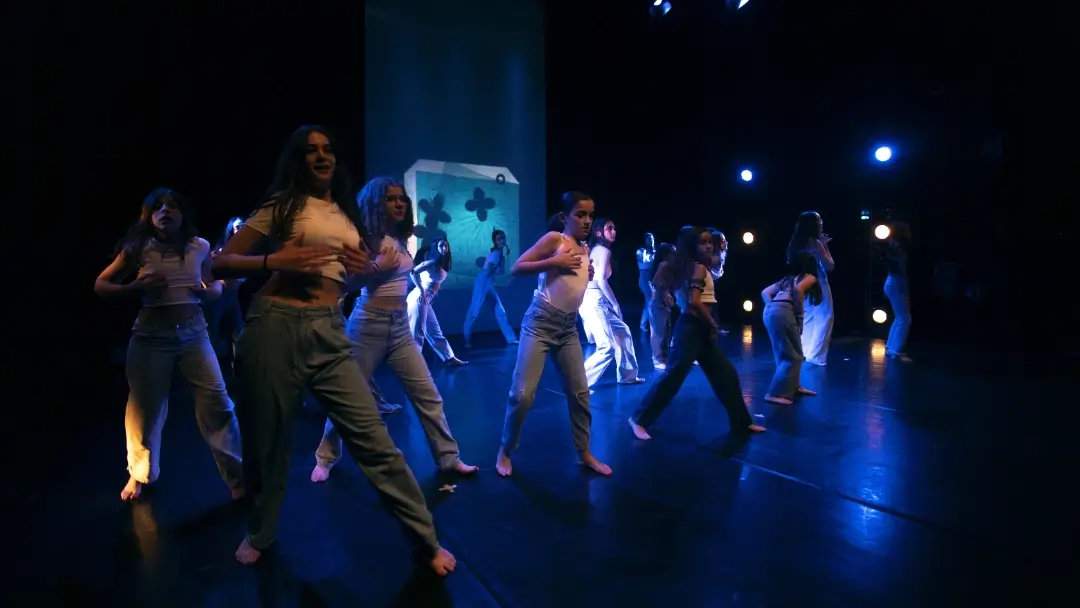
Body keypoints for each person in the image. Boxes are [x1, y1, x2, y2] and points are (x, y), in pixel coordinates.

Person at [213, 126, 455, 574]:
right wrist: (273, 260)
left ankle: (426, 539)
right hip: (275, 325)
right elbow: (219, 263)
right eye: (311, 151)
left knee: (375, 439)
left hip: (329, 328)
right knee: (269, 445)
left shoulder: (345, 215)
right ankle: (260, 531)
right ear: (298, 160)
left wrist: (362, 268)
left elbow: (351, 277)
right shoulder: (282, 206)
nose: (321, 156)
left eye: (328, 150)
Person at [311, 177, 477, 484]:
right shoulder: (364, 238)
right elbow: (344, 284)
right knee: (347, 397)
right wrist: (376, 267)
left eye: (402, 198)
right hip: (367, 324)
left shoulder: (400, 237)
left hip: (399, 326)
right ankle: (325, 457)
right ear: (375, 202)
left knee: (428, 395)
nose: (399, 203)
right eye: (390, 198)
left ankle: (448, 459)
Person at [94, 188, 244, 502]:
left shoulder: (199, 246)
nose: (165, 211)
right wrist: (134, 287)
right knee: (144, 412)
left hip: (194, 334)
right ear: (148, 216)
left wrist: (207, 292)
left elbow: (215, 285)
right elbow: (101, 284)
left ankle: (238, 478)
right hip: (151, 337)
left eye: (172, 206)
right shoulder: (138, 247)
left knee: (218, 405)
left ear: (182, 214)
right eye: (158, 207)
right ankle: (140, 474)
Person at [495, 191, 611, 477]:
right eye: (580, 214)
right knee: (522, 395)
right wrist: (554, 262)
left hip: (568, 328)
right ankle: (505, 450)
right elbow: (517, 267)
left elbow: (574, 281)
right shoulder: (555, 240)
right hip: (540, 323)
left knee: (580, 394)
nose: (587, 220)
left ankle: (584, 452)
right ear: (564, 216)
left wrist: (586, 272)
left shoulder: (585, 248)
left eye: (590, 215)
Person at [628, 226, 766, 440]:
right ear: (693, 245)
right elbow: (694, 302)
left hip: (698, 328)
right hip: (692, 328)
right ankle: (639, 419)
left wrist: (667, 294)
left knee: (726, 375)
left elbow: (662, 282)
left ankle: (742, 422)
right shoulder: (698, 268)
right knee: (674, 377)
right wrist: (712, 323)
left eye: (710, 241)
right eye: (703, 242)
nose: (709, 246)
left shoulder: (696, 266)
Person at [580, 218, 644, 388]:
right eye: (609, 228)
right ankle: (578, 384)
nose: (614, 231)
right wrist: (615, 305)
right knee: (606, 347)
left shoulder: (598, 249)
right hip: (593, 299)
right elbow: (601, 281)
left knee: (623, 332)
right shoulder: (602, 250)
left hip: (595, 299)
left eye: (614, 228)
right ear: (599, 233)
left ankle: (627, 375)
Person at [761, 252, 821, 404]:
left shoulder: (787, 279)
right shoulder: (810, 277)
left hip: (770, 310)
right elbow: (798, 290)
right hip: (783, 310)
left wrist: (773, 307)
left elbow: (765, 293)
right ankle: (774, 393)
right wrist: (799, 316)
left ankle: (794, 386)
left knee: (783, 352)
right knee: (794, 356)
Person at [408, 237, 466, 366]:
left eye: (446, 245)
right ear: (436, 247)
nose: (444, 248)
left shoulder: (441, 263)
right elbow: (413, 272)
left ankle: (449, 358)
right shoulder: (432, 261)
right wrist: (422, 290)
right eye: (441, 246)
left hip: (426, 298)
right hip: (420, 298)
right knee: (418, 332)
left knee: (434, 331)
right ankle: (412, 364)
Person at [788, 212, 835, 366]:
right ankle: (816, 356)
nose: (821, 222)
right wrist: (825, 247)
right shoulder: (815, 242)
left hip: (801, 281)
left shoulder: (795, 242)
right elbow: (830, 266)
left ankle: (804, 351)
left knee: (807, 317)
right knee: (824, 317)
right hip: (818, 281)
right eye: (819, 220)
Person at [463, 228, 519, 347]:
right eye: (499, 239)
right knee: (474, 311)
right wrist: (497, 265)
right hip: (483, 280)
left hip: (487, 281)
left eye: (503, 238)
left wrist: (503, 260)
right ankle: (466, 337)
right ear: (495, 241)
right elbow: (488, 270)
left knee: (500, 311)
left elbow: (500, 272)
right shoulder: (495, 254)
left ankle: (511, 338)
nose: (502, 240)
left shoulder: (500, 254)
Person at [883, 221, 913, 361]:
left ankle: (891, 347)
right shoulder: (900, 248)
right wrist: (905, 289)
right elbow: (901, 270)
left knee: (900, 317)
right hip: (897, 283)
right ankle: (895, 351)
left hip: (891, 282)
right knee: (904, 319)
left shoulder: (892, 245)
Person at [648, 243, 677, 369]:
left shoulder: (669, 266)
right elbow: (655, 282)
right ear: (666, 255)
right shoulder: (664, 264)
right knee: (658, 332)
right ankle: (657, 359)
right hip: (658, 302)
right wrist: (665, 294)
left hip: (663, 303)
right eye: (673, 253)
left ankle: (664, 357)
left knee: (666, 331)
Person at [708, 229, 731, 336]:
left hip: (714, 281)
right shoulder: (713, 257)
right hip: (708, 282)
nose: (726, 243)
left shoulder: (720, 254)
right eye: (723, 241)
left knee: (714, 305)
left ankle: (715, 327)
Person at [636, 232, 657, 333]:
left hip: (652, 278)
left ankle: (643, 323)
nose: (651, 241)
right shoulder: (640, 251)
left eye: (652, 239)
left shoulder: (654, 252)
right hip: (644, 277)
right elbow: (643, 263)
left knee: (648, 301)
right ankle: (652, 324)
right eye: (649, 239)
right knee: (650, 300)